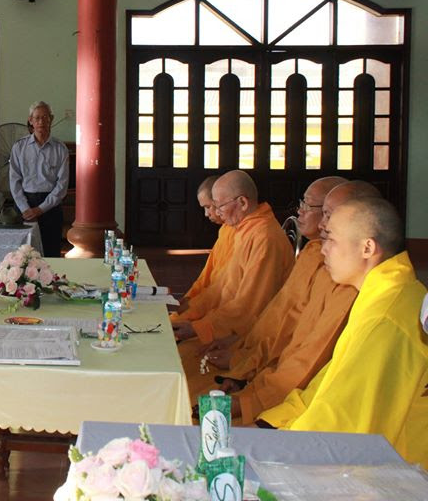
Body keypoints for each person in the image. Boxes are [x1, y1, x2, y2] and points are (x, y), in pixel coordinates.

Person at [258, 198, 428, 468]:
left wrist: (276, 448)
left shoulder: (385, 318)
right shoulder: (387, 292)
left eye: (330, 239)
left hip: (402, 472)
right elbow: (327, 383)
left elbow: (340, 420)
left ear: (367, 248)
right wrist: (275, 423)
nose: (323, 249)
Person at [208, 178, 376, 424]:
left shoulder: (348, 283)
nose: (323, 225)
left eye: (327, 215)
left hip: (285, 398)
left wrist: (249, 397)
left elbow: (309, 359)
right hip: (262, 370)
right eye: (303, 204)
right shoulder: (313, 253)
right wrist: (242, 362)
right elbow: (280, 321)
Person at [172, 170, 294, 345]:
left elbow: (250, 306)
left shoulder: (265, 238)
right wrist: (190, 309)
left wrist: (199, 328)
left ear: (242, 203)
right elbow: (219, 287)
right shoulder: (244, 231)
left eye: (219, 206)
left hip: (249, 336)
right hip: (224, 321)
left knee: (177, 355)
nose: (216, 212)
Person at [8, 101, 69, 256]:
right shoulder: (19, 147)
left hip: (50, 207)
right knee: (23, 255)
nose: (41, 122)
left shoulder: (60, 148)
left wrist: (41, 209)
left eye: (45, 117)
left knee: (51, 254)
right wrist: (25, 208)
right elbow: (14, 181)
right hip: (25, 205)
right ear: (30, 120)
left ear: (51, 119)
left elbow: (62, 185)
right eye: (37, 118)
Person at [173, 176, 234, 315]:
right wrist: (190, 297)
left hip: (223, 311)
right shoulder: (226, 229)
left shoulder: (256, 235)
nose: (207, 214)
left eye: (208, 207)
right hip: (211, 302)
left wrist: (196, 307)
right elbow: (208, 275)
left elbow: (229, 286)